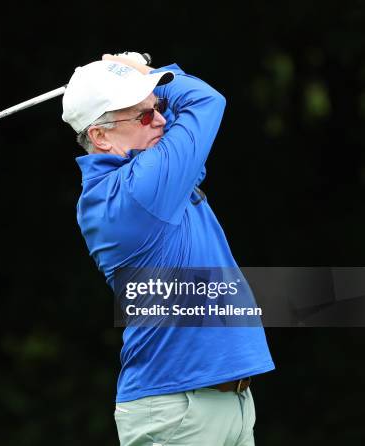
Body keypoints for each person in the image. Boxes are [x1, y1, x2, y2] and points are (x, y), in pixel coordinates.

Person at [61, 53, 275, 446]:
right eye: (142, 117)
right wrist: (150, 74)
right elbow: (206, 101)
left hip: (227, 404)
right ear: (100, 136)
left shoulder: (151, 170)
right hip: (178, 411)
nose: (160, 119)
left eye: (156, 108)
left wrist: (138, 82)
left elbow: (187, 110)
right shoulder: (138, 191)